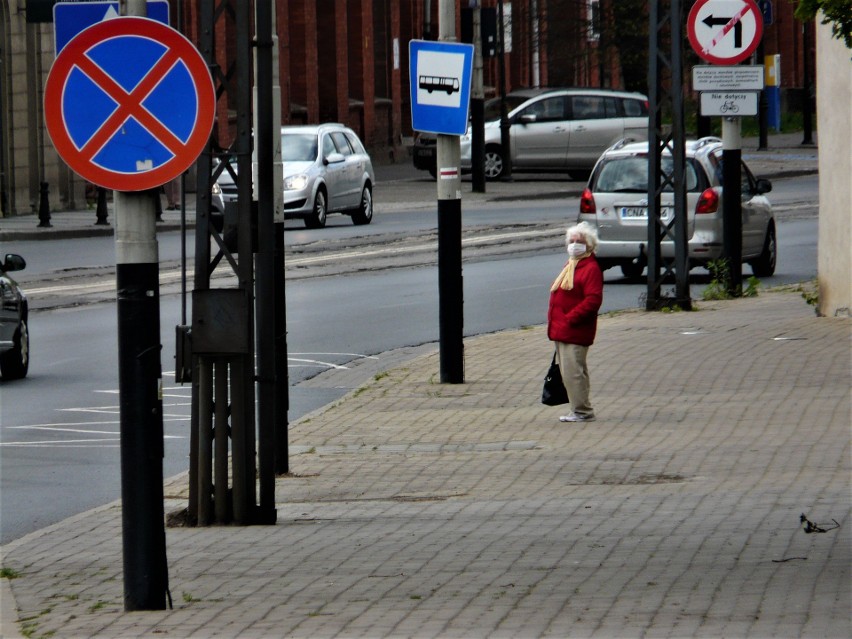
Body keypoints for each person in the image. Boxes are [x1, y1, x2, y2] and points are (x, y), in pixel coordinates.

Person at [547, 221, 604, 423]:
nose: (574, 244)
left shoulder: (590, 268)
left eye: (579, 241)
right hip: (563, 329)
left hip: (575, 329)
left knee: (573, 373)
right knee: (572, 371)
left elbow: (593, 300)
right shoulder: (573, 264)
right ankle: (580, 408)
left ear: (589, 245)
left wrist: (571, 318)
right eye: (571, 240)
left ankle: (582, 411)